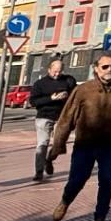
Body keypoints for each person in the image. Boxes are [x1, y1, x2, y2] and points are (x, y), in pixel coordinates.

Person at [45, 53, 111, 221]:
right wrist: (58, 145)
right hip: (85, 143)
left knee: (107, 181)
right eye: (105, 67)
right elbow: (66, 118)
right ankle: (65, 201)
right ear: (96, 68)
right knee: (78, 179)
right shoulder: (84, 90)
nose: (109, 70)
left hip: (109, 145)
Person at [26, 54, 78, 183]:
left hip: (62, 117)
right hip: (44, 117)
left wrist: (68, 97)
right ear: (49, 70)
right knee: (42, 144)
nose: (57, 74)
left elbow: (76, 96)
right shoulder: (40, 84)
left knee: (58, 144)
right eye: (55, 71)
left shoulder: (69, 80)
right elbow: (33, 101)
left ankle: (49, 160)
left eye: (60, 71)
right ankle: (38, 172)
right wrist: (51, 98)